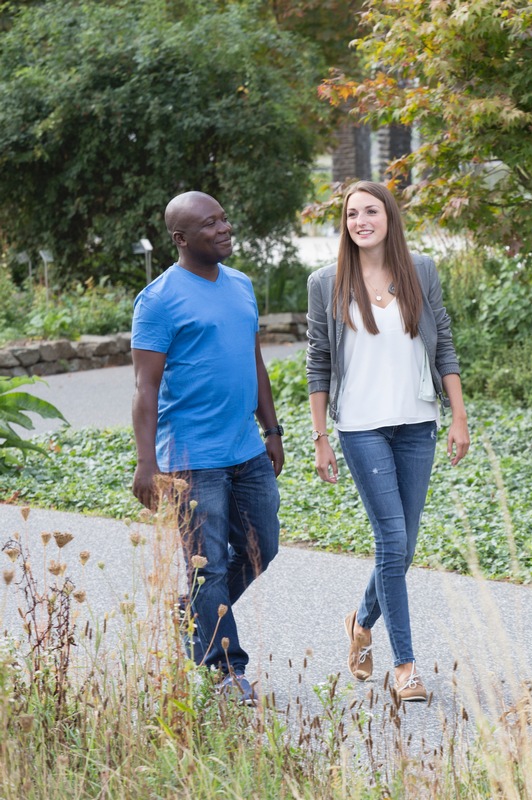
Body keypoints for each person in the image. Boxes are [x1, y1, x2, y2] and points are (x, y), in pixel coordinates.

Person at [306, 180, 469, 706]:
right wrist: (320, 437)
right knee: (391, 541)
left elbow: (442, 342)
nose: (360, 221)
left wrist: (458, 417)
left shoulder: (419, 271)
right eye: (352, 214)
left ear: (389, 216)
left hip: (416, 423)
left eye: (370, 211)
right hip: (359, 427)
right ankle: (404, 665)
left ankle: (359, 620)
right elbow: (318, 362)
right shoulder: (325, 282)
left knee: (404, 544)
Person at [131, 190, 284, 707]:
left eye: (223, 219)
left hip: (246, 449)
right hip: (193, 457)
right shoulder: (158, 299)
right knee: (208, 566)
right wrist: (146, 463)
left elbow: (254, 362)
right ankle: (224, 669)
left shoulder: (240, 285)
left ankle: (194, 610)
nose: (224, 229)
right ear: (181, 239)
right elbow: (144, 388)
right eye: (209, 224)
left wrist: (273, 429)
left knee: (264, 546)